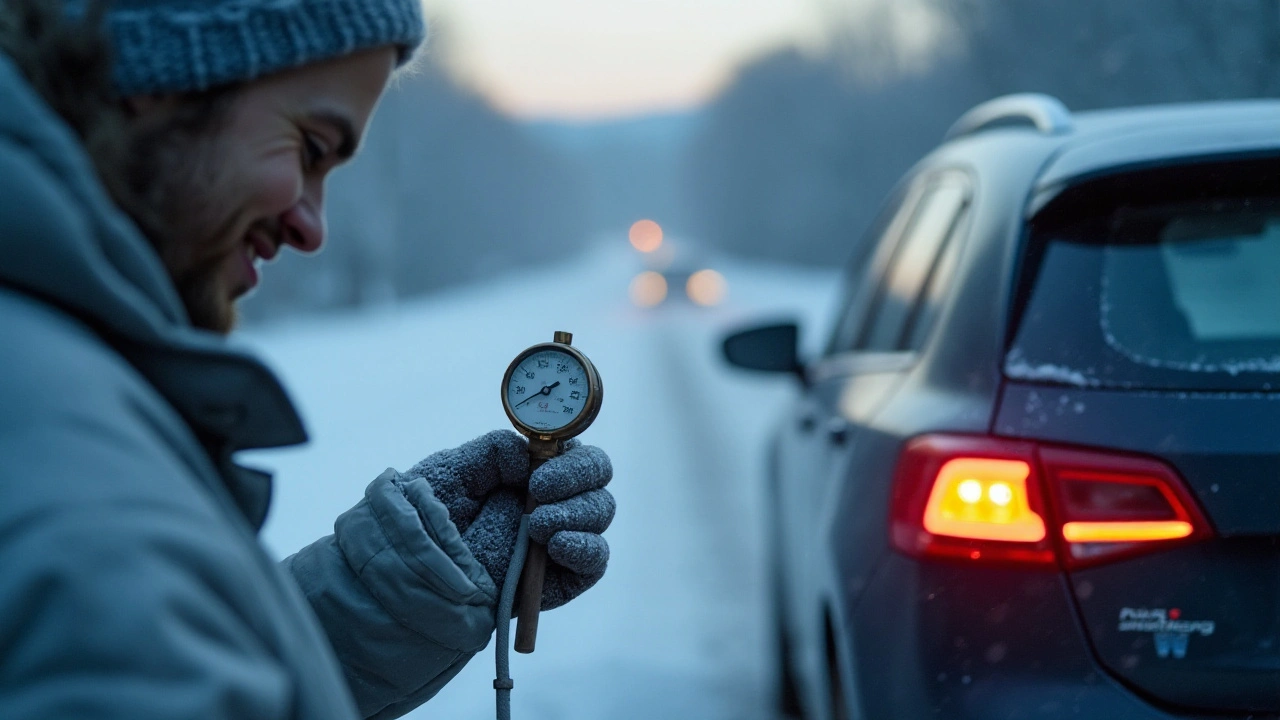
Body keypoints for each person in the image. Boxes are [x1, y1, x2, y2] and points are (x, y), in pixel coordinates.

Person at [0, 1, 616, 719]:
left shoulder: (57, 390)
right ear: (156, 78)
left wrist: (415, 584)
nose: (312, 227)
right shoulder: (81, 491)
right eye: (311, 149)